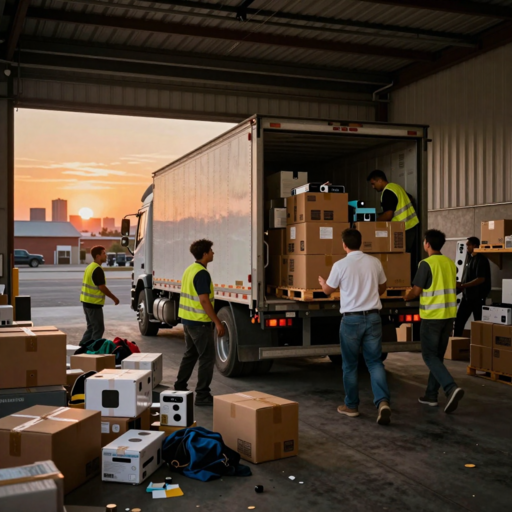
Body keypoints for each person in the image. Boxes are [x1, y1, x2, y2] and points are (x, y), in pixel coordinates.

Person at [318, 228, 391, 426]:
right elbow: (383, 287)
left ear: (344, 245)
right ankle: (383, 402)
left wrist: (323, 283)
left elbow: (328, 290)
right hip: (373, 318)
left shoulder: (340, 265)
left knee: (350, 365)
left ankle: (351, 406)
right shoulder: (374, 262)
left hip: (351, 320)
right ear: (361, 243)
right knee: (374, 362)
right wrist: (369, 292)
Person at [404, 229, 464, 413]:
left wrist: (405, 296)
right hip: (448, 316)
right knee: (437, 357)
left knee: (429, 356)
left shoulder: (426, 264)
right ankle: (431, 395)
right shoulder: (450, 263)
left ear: (427, 244)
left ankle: (450, 388)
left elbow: (416, 291)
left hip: (432, 317)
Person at [175, 239, 225, 407]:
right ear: (204, 254)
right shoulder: (202, 273)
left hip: (188, 321)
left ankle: (180, 386)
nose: (213, 253)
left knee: (190, 355)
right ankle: (202, 394)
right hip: (199, 323)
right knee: (207, 358)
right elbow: (204, 300)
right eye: (211, 250)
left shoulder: (190, 269)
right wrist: (217, 322)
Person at [367, 169, 419, 274]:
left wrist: (373, 223)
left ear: (380, 180)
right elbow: (411, 199)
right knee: (410, 257)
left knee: (402, 257)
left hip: (404, 229)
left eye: (373, 184)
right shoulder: (396, 187)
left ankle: (404, 279)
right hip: (411, 225)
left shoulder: (387, 192)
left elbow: (388, 215)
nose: (373, 187)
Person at [79, 245, 120, 345]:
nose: (106, 255)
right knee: (98, 329)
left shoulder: (90, 267)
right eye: (103, 253)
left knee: (91, 328)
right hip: (93, 304)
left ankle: (82, 347)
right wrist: (114, 298)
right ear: (98, 256)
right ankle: (93, 349)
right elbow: (102, 287)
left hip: (86, 302)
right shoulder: (97, 269)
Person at [454, 237, 491, 336]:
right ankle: (456, 341)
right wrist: (461, 285)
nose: (467, 247)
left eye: (469, 245)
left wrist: (464, 285)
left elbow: (481, 279)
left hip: (477, 298)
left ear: (475, 245)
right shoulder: (470, 258)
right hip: (467, 297)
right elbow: (469, 277)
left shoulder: (481, 260)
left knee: (479, 322)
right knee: (459, 321)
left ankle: (481, 342)